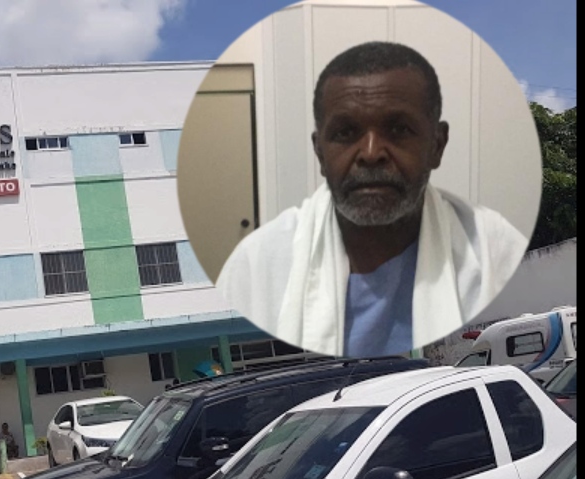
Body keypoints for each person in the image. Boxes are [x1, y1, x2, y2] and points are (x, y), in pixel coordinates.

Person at [216, 41, 527, 357]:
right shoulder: (257, 268)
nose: (370, 153)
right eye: (345, 132)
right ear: (319, 152)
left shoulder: (493, 252)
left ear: (437, 144)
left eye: (399, 129)